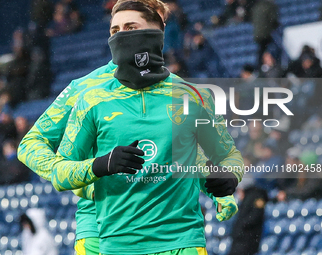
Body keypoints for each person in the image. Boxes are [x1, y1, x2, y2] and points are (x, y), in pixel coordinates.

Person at [18, 1, 241, 254]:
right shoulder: (85, 89)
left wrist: (220, 189)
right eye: (117, 28)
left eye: (133, 24)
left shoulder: (183, 92)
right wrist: (87, 175)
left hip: (175, 231)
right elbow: (30, 145)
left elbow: (180, 154)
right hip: (100, 226)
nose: (125, 33)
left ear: (158, 25)